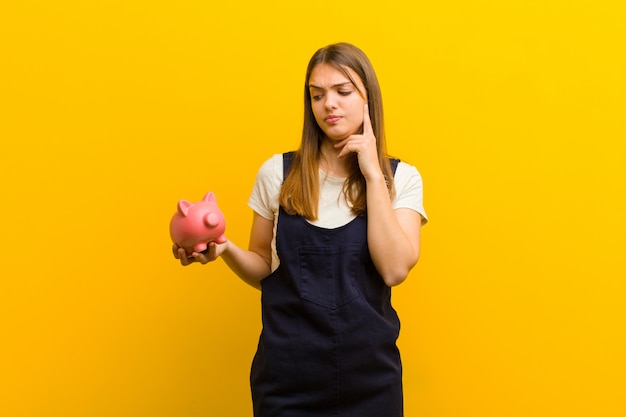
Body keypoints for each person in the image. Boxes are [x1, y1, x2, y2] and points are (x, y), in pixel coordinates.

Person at [173, 42, 427, 417]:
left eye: (343, 92)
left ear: (368, 98)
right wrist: (224, 249)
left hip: (370, 382)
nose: (330, 105)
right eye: (317, 95)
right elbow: (263, 264)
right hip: (287, 380)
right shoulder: (277, 173)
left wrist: (374, 174)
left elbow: (394, 269)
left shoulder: (401, 178)